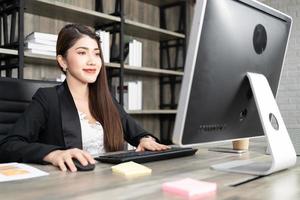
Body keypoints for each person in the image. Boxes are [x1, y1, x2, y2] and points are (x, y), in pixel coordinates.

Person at [0, 24, 168, 172]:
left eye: (96, 54)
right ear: (63, 61)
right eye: (82, 53)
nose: (92, 61)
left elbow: (137, 133)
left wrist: (145, 139)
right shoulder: (48, 98)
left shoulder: (106, 99)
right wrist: (53, 154)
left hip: (111, 182)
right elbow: (8, 146)